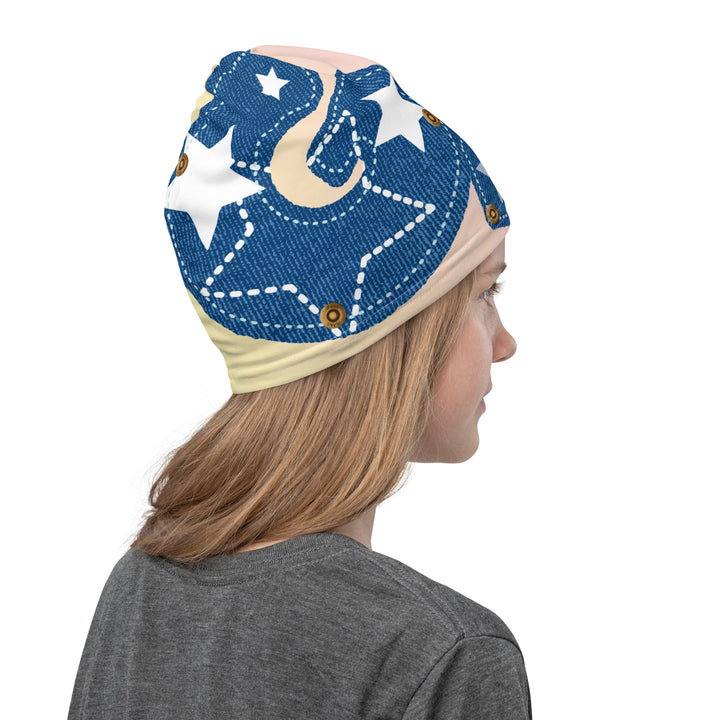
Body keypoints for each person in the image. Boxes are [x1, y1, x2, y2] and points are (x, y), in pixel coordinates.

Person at [67, 45, 530, 719]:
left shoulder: (142, 588)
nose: (506, 343)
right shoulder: (441, 653)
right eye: (486, 292)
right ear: (393, 329)